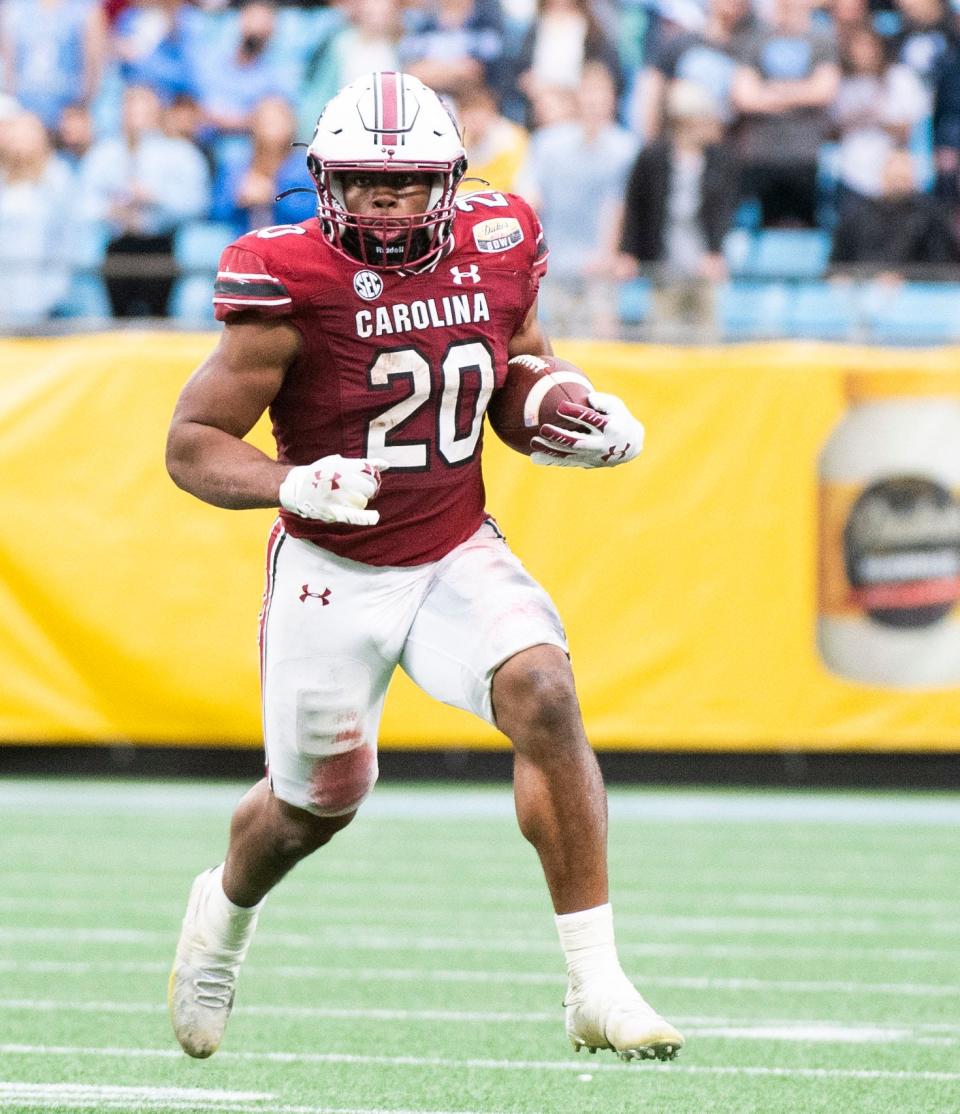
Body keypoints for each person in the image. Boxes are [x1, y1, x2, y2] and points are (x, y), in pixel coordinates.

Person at [165, 69, 683, 1066]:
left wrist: (566, 406)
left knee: (544, 691)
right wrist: (288, 484)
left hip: (451, 544)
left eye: (405, 185)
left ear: (450, 182)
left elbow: (515, 365)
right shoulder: (286, 280)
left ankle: (596, 979)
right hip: (332, 568)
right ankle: (222, 915)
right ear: (325, 184)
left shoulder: (497, 246)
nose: (387, 204)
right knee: (315, 806)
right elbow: (191, 441)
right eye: (364, 184)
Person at [618, 79, 740, 340]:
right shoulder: (652, 158)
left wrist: (715, 251)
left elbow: (724, 210)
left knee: (707, 338)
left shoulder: (720, 159)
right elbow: (636, 208)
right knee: (662, 337)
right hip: (663, 267)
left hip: (703, 266)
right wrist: (628, 252)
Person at [731, 0, 841, 227]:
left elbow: (823, 92)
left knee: (804, 231)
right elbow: (744, 97)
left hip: (804, 155)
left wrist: (771, 89)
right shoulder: (756, 38)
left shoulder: (821, 38)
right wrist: (801, 92)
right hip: (760, 155)